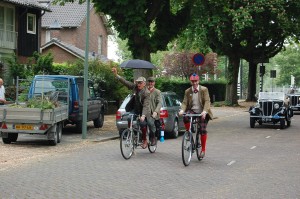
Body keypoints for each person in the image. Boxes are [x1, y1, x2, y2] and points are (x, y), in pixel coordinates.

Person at [112, 67, 150, 149]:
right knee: (129, 118)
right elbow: (125, 82)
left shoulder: (146, 92)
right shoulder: (134, 87)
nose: (138, 84)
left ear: (144, 84)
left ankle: (144, 140)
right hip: (135, 109)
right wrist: (116, 75)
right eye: (137, 83)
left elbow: (146, 105)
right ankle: (130, 132)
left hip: (144, 111)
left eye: (140, 83)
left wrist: (143, 115)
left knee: (143, 124)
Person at [179, 73, 213, 159]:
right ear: (191, 81)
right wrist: (182, 110)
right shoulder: (188, 91)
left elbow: (207, 101)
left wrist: (205, 111)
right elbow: (184, 102)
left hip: (202, 111)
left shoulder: (204, 89)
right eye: (192, 81)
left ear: (198, 81)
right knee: (185, 117)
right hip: (193, 110)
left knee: (202, 129)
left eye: (196, 81)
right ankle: (188, 133)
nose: (194, 83)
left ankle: (203, 150)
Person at [147, 77, 162, 145]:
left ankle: (153, 137)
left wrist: (156, 111)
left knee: (151, 123)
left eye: (152, 82)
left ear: (154, 83)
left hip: (153, 113)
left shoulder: (157, 92)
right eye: (149, 82)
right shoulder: (144, 90)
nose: (150, 83)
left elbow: (160, 103)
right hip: (144, 112)